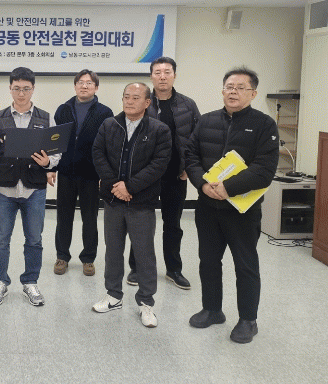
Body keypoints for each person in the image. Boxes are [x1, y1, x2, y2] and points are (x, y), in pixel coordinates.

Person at [185, 67, 278, 344]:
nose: (233, 92)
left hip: (242, 210)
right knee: (208, 261)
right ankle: (212, 309)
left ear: (253, 93)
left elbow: (264, 169)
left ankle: (248, 319)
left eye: (240, 87)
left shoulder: (264, 125)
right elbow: (190, 155)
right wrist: (203, 184)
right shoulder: (206, 120)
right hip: (207, 207)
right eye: (229, 86)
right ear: (222, 90)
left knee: (245, 265)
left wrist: (228, 188)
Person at [91, 82, 170, 328]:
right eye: (126, 96)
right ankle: (113, 295)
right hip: (113, 200)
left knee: (144, 253)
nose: (129, 101)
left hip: (142, 203)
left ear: (147, 102)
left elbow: (159, 164)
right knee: (113, 250)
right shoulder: (109, 125)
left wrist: (130, 187)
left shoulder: (159, 129)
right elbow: (98, 154)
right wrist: (116, 186)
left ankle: (146, 302)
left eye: (136, 97)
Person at [0, 67, 59, 307]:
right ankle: (1, 282)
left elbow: (56, 152)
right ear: (10, 89)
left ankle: (30, 282)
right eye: (17, 88)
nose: (21, 93)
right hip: (4, 189)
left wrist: (48, 163)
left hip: (34, 188)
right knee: (1, 239)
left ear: (33, 89)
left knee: (34, 239)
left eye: (26, 88)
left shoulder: (46, 118)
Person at [126, 57, 200, 290]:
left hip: (176, 175)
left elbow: (196, 140)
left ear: (174, 75)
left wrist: (188, 168)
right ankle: (137, 267)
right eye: (157, 72)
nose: (162, 76)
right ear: (151, 76)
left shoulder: (188, 105)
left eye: (167, 72)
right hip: (145, 176)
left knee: (173, 224)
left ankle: (173, 269)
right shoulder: (142, 102)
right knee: (141, 223)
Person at [53, 69, 113, 277]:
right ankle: (62, 256)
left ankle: (88, 258)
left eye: (89, 83)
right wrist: (51, 169)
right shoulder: (63, 110)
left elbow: (108, 145)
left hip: (91, 174)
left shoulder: (105, 112)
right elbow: (55, 142)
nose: (84, 86)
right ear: (75, 85)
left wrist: (105, 174)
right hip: (66, 172)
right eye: (80, 82)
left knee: (90, 217)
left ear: (96, 87)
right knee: (63, 216)